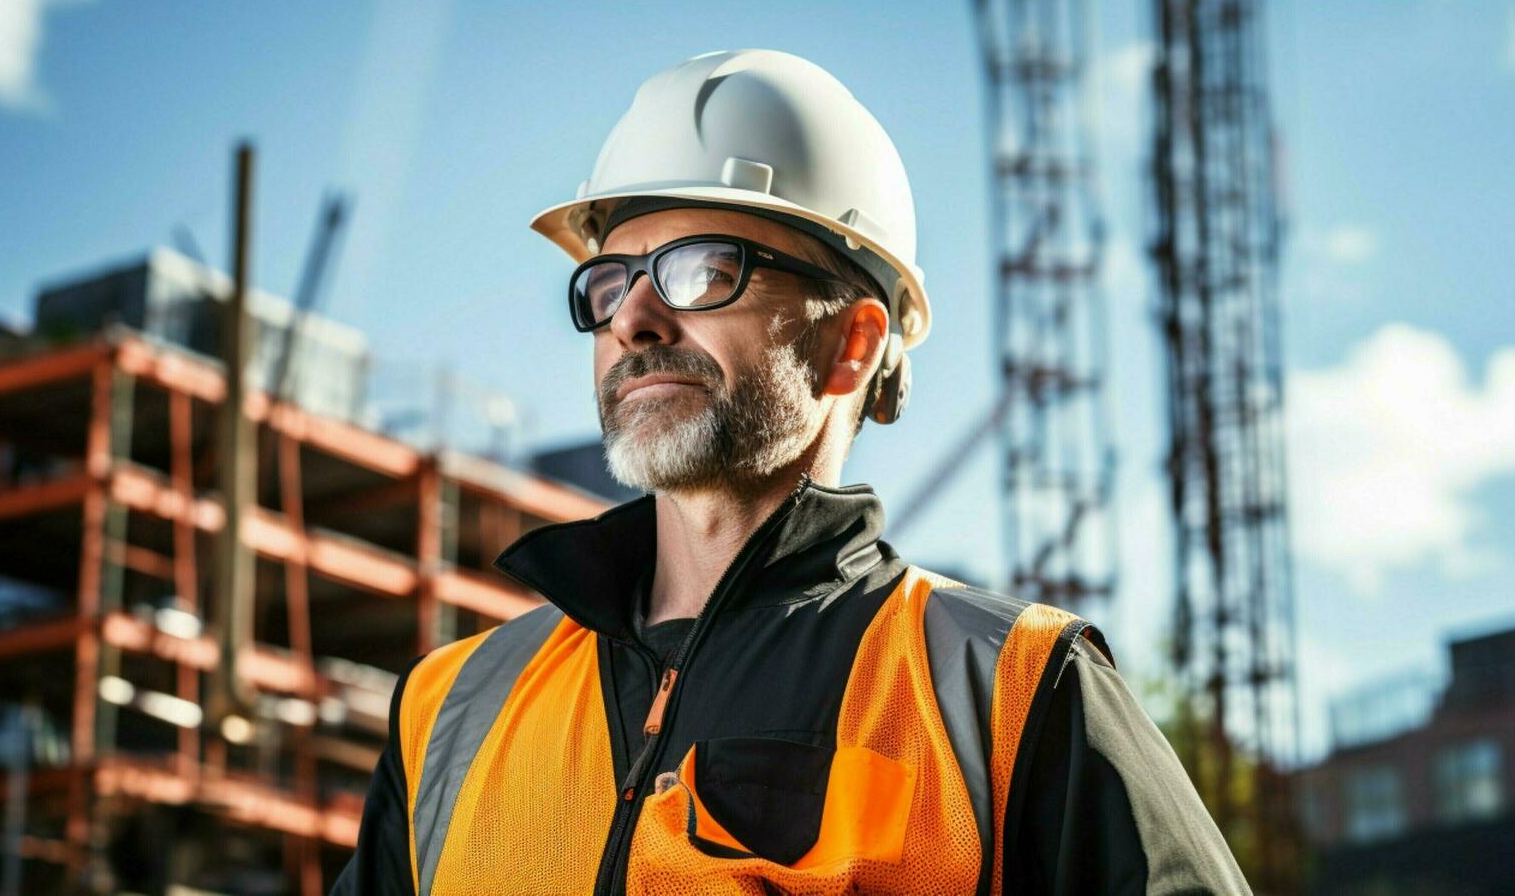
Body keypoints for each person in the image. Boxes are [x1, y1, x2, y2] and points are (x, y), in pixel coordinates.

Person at [331, 49, 1250, 895]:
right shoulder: (448, 711)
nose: (634, 320)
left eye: (699, 270)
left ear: (851, 344)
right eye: (610, 281)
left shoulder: (1009, 691)